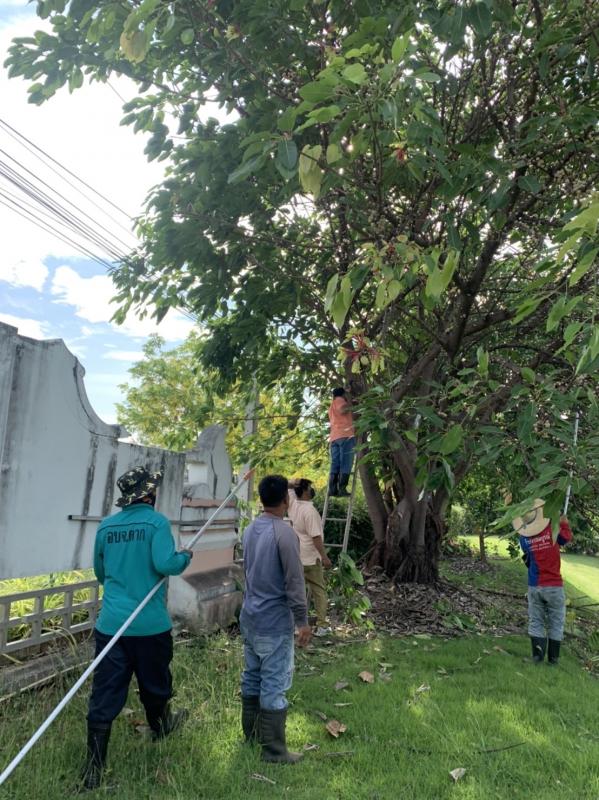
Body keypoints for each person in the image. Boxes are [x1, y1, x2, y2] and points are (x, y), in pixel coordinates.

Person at [82, 466, 192, 790]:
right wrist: (185, 557)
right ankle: (160, 727)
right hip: (149, 627)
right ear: (149, 494)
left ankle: (93, 771)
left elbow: (100, 572)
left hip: (111, 626)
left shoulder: (106, 526)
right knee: (155, 684)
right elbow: (165, 564)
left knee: (105, 694)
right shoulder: (156, 522)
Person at [240, 474, 312, 763]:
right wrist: (303, 621)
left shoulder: (249, 530)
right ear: (286, 499)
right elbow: (295, 583)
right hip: (273, 622)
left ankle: (252, 737)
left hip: (250, 617)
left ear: (261, 499)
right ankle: (274, 750)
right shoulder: (284, 534)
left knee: (252, 677)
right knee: (274, 682)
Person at [513, 498, 573, 665]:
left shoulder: (524, 538)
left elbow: (527, 553)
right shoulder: (553, 530)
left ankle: (537, 657)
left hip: (535, 585)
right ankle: (553, 660)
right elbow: (566, 538)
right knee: (556, 622)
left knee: (536, 620)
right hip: (554, 586)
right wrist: (564, 523)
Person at [287, 478, 333, 636]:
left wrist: (294, 482)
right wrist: (324, 557)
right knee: (319, 591)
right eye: (310, 487)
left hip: (296, 557)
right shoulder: (310, 512)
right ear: (305, 491)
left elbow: (287, 485)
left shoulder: (292, 504)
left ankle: (294, 625)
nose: (312, 489)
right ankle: (322, 626)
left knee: (296, 593)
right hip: (311, 559)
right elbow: (316, 538)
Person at [328, 387, 355, 498]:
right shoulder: (340, 400)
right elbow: (343, 409)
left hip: (334, 437)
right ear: (342, 394)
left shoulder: (331, 405)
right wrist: (351, 404)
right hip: (345, 435)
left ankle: (333, 489)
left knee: (335, 463)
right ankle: (342, 489)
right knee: (346, 462)